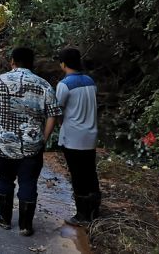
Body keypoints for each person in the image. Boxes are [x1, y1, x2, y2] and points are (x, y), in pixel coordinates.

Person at [0, 47, 62, 236]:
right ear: (31, 62)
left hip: (3, 145)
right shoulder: (43, 85)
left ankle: (5, 219)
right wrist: (44, 137)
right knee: (28, 182)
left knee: (4, 179)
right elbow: (53, 115)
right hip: (31, 146)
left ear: (12, 61)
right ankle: (26, 226)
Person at [56, 47, 101, 226]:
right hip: (90, 135)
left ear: (63, 64)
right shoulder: (90, 81)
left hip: (73, 137)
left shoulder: (64, 85)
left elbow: (56, 109)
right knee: (90, 172)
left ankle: (82, 214)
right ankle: (94, 210)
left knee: (77, 175)